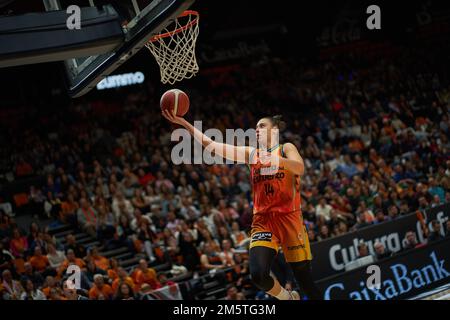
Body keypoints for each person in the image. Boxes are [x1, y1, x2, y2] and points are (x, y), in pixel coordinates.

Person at [162, 111, 321, 300]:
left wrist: (275, 160)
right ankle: (287, 298)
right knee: (258, 275)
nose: (257, 129)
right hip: (264, 221)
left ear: (275, 130)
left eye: (262, 126)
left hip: (290, 218)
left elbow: (300, 168)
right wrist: (183, 122)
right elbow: (212, 146)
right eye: (256, 127)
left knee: (304, 280)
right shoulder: (251, 154)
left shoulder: (286, 148)